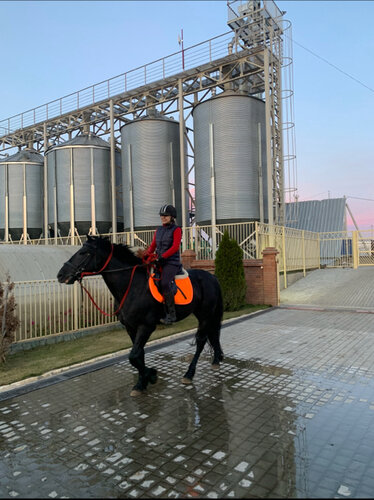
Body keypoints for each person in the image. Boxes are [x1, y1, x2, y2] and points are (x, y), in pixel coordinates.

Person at [143, 204, 182, 325]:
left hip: (171, 262)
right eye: (162, 216)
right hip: (159, 261)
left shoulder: (177, 230)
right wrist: (146, 255)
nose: (163, 218)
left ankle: (172, 315)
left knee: (164, 283)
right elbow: (153, 245)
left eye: (166, 216)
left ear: (172, 217)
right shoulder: (158, 230)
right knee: (151, 282)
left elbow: (175, 247)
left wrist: (163, 256)